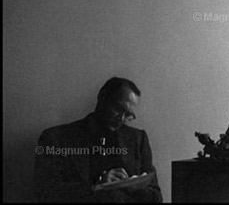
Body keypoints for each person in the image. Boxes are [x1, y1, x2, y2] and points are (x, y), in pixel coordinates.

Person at [34, 77, 163, 203]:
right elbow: (45, 192)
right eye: (118, 109)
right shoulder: (55, 139)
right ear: (102, 97)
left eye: (128, 115)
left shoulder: (138, 140)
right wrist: (97, 186)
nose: (121, 118)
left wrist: (133, 187)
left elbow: (156, 197)